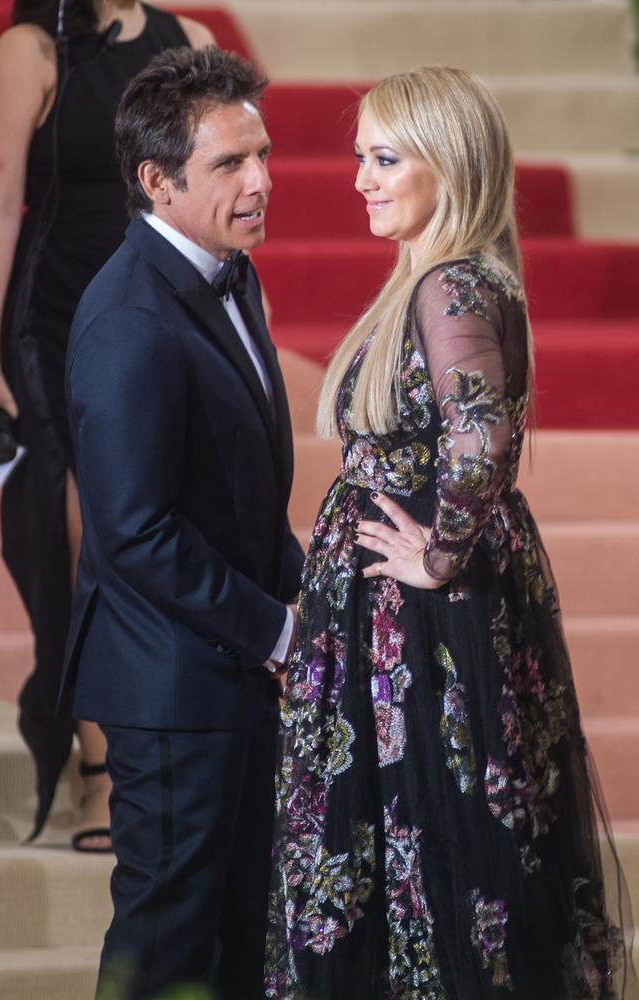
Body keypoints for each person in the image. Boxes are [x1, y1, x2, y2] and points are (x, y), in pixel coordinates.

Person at [265, 67, 637, 999]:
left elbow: (481, 434)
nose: (361, 180)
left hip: (422, 630)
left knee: (436, 857)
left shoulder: (453, 283)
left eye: (386, 159)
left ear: (452, 164)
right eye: (361, 158)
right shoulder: (437, 280)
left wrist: (435, 556)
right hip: (409, 617)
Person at [59, 44, 304, 1000]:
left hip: (230, 671)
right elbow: (134, 534)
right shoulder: (129, 317)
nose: (263, 181)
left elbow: (243, 498)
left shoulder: (226, 272)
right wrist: (277, 630)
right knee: (166, 939)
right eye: (231, 165)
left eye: (264, 154)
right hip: (171, 689)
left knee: (246, 928)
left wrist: (301, 592)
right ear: (158, 182)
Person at [0, 0, 214, 850]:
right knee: (81, 538)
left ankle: (168, 747)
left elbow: (215, 188)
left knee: (172, 528)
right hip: (51, 323)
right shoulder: (29, 48)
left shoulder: (186, 42)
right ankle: (97, 767)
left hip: (157, 322)